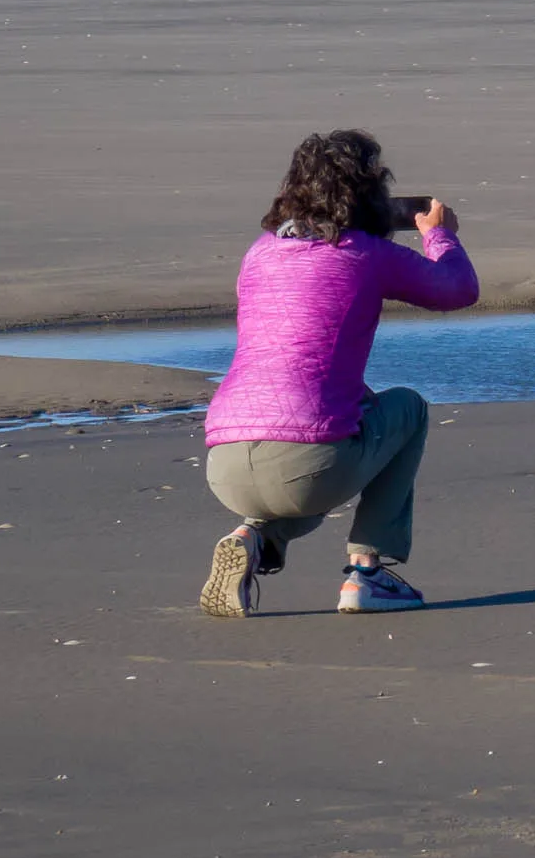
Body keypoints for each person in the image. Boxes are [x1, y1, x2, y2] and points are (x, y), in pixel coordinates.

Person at [198, 130, 478, 617]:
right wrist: (440, 233)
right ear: (370, 195)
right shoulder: (365, 254)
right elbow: (457, 289)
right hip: (307, 462)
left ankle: (254, 537)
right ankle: (367, 575)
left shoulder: (259, 254)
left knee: (335, 432)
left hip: (225, 461)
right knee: (405, 409)